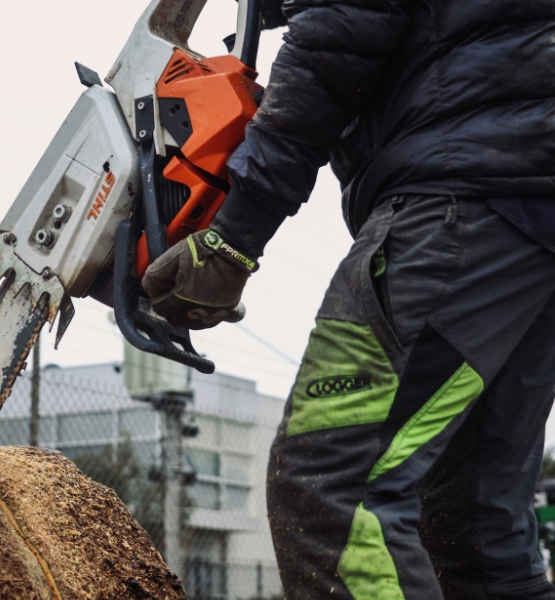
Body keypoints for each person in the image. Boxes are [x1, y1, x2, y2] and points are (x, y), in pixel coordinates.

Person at [141, 0, 555, 597]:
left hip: (460, 203)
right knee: (473, 528)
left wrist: (234, 237)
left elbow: (335, 42)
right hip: (526, 222)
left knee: (330, 486)